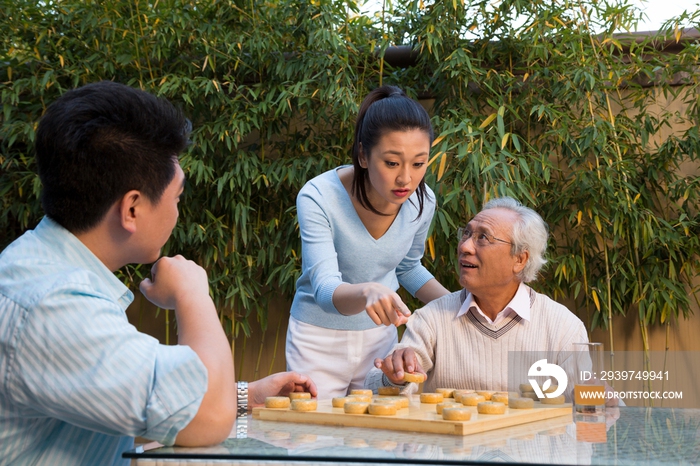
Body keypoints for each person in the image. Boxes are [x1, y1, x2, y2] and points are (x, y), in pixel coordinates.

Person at [0, 81, 316, 466]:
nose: (178, 211)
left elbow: (117, 396)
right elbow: (207, 420)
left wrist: (242, 395)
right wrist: (193, 294)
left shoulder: (43, 270)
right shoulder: (55, 305)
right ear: (132, 208)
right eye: (178, 196)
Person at [286, 85, 450, 399]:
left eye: (419, 164)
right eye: (392, 163)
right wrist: (368, 291)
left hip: (380, 340)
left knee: (381, 439)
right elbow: (324, 290)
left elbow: (408, 269)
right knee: (317, 442)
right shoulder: (319, 196)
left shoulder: (423, 201)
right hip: (317, 340)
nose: (406, 179)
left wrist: (457, 305)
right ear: (363, 155)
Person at [365, 196, 591, 400]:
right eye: (466, 233)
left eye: (483, 237)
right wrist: (395, 377)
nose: (464, 247)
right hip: (453, 445)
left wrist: (604, 402)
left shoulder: (563, 328)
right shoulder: (431, 318)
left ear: (519, 260)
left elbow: (591, 415)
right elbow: (375, 393)